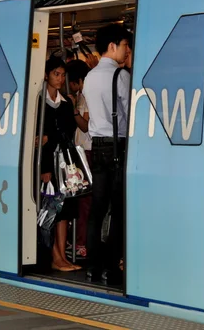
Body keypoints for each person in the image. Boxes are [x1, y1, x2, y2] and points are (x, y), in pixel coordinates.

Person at [82, 24, 132, 284]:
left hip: (96, 146)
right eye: (124, 45)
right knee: (118, 208)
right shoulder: (120, 76)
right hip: (117, 145)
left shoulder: (90, 77)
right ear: (112, 46)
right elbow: (130, 112)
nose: (127, 51)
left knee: (97, 208)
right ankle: (112, 267)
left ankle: (92, 265)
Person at [35, 56, 81, 272]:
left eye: (63, 75)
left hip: (64, 162)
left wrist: (47, 138)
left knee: (64, 210)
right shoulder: (38, 101)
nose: (60, 78)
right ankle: (53, 256)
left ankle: (62, 255)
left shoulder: (65, 102)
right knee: (51, 209)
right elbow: (39, 139)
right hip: (47, 162)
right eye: (56, 74)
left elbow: (66, 132)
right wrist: (44, 168)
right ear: (46, 75)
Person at [65, 59, 92, 258]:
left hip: (87, 152)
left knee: (84, 201)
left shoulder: (87, 97)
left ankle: (81, 243)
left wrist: (73, 109)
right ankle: (78, 240)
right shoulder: (84, 95)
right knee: (79, 199)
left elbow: (85, 126)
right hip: (81, 151)